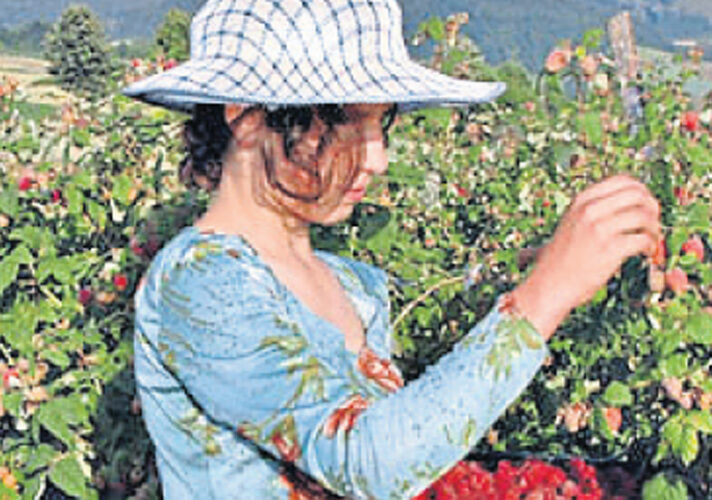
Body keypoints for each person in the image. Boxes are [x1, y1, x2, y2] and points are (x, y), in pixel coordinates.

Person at [123, 0, 661, 498]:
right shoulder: (198, 282)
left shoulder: (350, 283)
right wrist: (546, 293)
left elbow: (413, 428)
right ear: (246, 117)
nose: (378, 158)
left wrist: (540, 271)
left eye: (380, 123)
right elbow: (366, 460)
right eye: (347, 121)